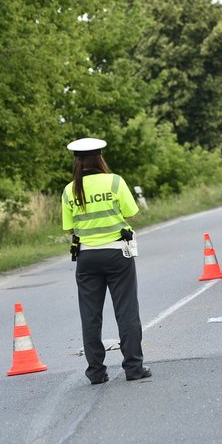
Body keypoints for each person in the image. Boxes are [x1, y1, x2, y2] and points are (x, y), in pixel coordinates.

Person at [61, 137, 151, 385]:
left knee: (90, 316)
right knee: (126, 311)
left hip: (86, 257)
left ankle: (96, 373)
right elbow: (131, 212)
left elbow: (69, 227)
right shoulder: (114, 181)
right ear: (100, 157)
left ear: (76, 161)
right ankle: (134, 367)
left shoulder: (70, 190)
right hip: (117, 254)